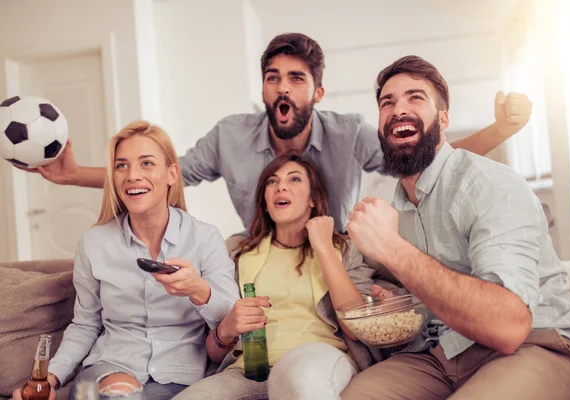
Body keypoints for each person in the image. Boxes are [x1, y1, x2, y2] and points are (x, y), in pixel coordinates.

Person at [20, 33, 532, 236]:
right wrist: (68, 177)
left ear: (318, 92)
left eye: (296, 79)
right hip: (261, 255)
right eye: (273, 78)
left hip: (333, 256)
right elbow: (156, 176)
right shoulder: (229, 136)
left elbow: (428, 157)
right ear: (263, 90)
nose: (282, 89)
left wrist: (501, 130)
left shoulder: (350, 131)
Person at [342, 55, 570, 399]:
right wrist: (406, 302)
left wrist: (393, 249)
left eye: (415, 97)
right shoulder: (401, 204)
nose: (398, 109)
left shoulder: (488, 184)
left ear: (443, 119)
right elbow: (444, 283)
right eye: (387, 102)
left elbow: (508, 327)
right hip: (442, 353)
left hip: (533, 345)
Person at [12, 121, 239, 400]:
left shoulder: (205, 238)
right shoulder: (94, 243)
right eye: (121, 166)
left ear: (172, 174)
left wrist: (197, 289)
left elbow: (231, 319)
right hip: (108, 370)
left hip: (179, 377)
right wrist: (53, 377)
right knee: (120, 394)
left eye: (146, 163)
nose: (132, 175)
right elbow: (85, 325)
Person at [172, 152, 392, 400]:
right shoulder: (237, 254)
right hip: (247, 372)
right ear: (265, 202)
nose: (281, 187)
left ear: (312, 199)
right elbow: (213, 352)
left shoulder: (343, 249)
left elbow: (356, 328)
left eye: (295, 179)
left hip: (318, 359)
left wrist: (323, 247)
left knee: (297, 376)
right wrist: (227, 328)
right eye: (272, 182)